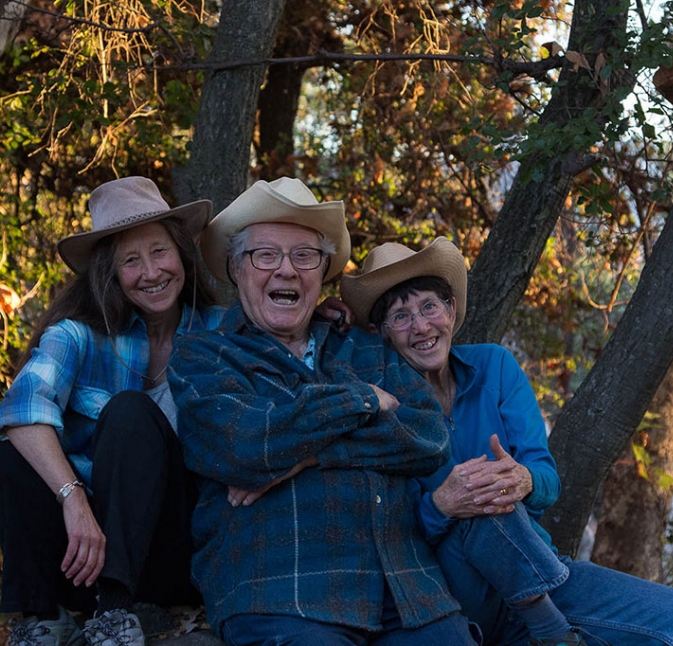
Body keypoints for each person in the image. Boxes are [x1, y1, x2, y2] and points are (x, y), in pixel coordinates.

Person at [340, 237, 673, 646]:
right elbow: (383, 529)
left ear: (450, 310)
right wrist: (442, 505)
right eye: (401, 317)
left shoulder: (495, 365)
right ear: (382, 334)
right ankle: (553, 633)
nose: (421, 326)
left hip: (542, 572)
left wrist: (525, 479)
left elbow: (546, 477)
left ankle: (548, 620)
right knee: (477, 492)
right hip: (449, 594)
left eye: (428, 307)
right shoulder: (382, 404)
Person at [167, 178, 477, 646]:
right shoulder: (202, 356)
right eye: (266, 255)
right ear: (236, 268)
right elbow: (248, 445)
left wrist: (308, 454)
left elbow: (429, 436)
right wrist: (363, 400)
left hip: (405, 588)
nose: (286, 271)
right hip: (281, 590)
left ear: (323, 271)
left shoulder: (368, 348)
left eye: (304, 256)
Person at [0, 176, 222, 646]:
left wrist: (334, 313)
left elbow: (290, 340)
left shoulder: (221, 330)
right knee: (7, 450)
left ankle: (116, 617)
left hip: (175, 548)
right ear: (109, 273)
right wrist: (72, 498)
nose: (151, 272)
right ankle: (40, 618)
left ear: (182, 255)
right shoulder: (76, 335)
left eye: (159, 252)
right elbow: (22, 409)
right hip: (85, 552)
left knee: (130, 412)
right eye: (131, 260)